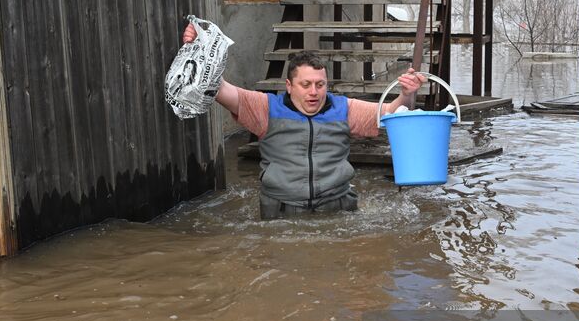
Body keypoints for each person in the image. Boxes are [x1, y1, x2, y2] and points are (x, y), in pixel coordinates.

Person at [181, 21, 425, 218]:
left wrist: (406, 93)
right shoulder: (266, 108)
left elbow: (392, 114)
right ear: (289, 86)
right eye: (305, 85)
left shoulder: (343, 108)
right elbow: (220, 88)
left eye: (320, 85)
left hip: (336, 209)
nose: (314, 92)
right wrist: (199, 47)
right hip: (281, 212)